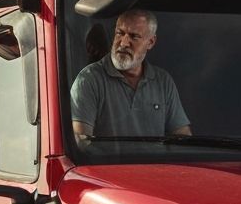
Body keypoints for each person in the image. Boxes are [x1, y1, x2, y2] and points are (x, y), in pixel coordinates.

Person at [71, 8, 191, 144]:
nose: (123, 43)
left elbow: (182, 137)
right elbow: (81, 143)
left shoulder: (163, 81)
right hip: (106, 166)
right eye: (120, 33)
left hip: (156, 166)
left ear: (151, 42)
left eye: (134, 36)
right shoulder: (89, 80)